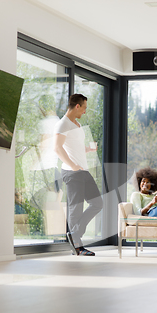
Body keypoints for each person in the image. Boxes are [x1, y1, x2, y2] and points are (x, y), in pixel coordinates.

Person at [53, 94, 103, 256]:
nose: (85, 111)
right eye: (84, 108)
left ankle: (74, 234)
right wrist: (73, 165)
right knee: (76, 208)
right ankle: (78, 247)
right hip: (72, 172)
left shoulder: (77, 124)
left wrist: (88, 149)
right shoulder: (62, 124)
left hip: (83, 170)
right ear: (77, 106)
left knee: (97, 203)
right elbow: (57, 148)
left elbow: (74, 147)